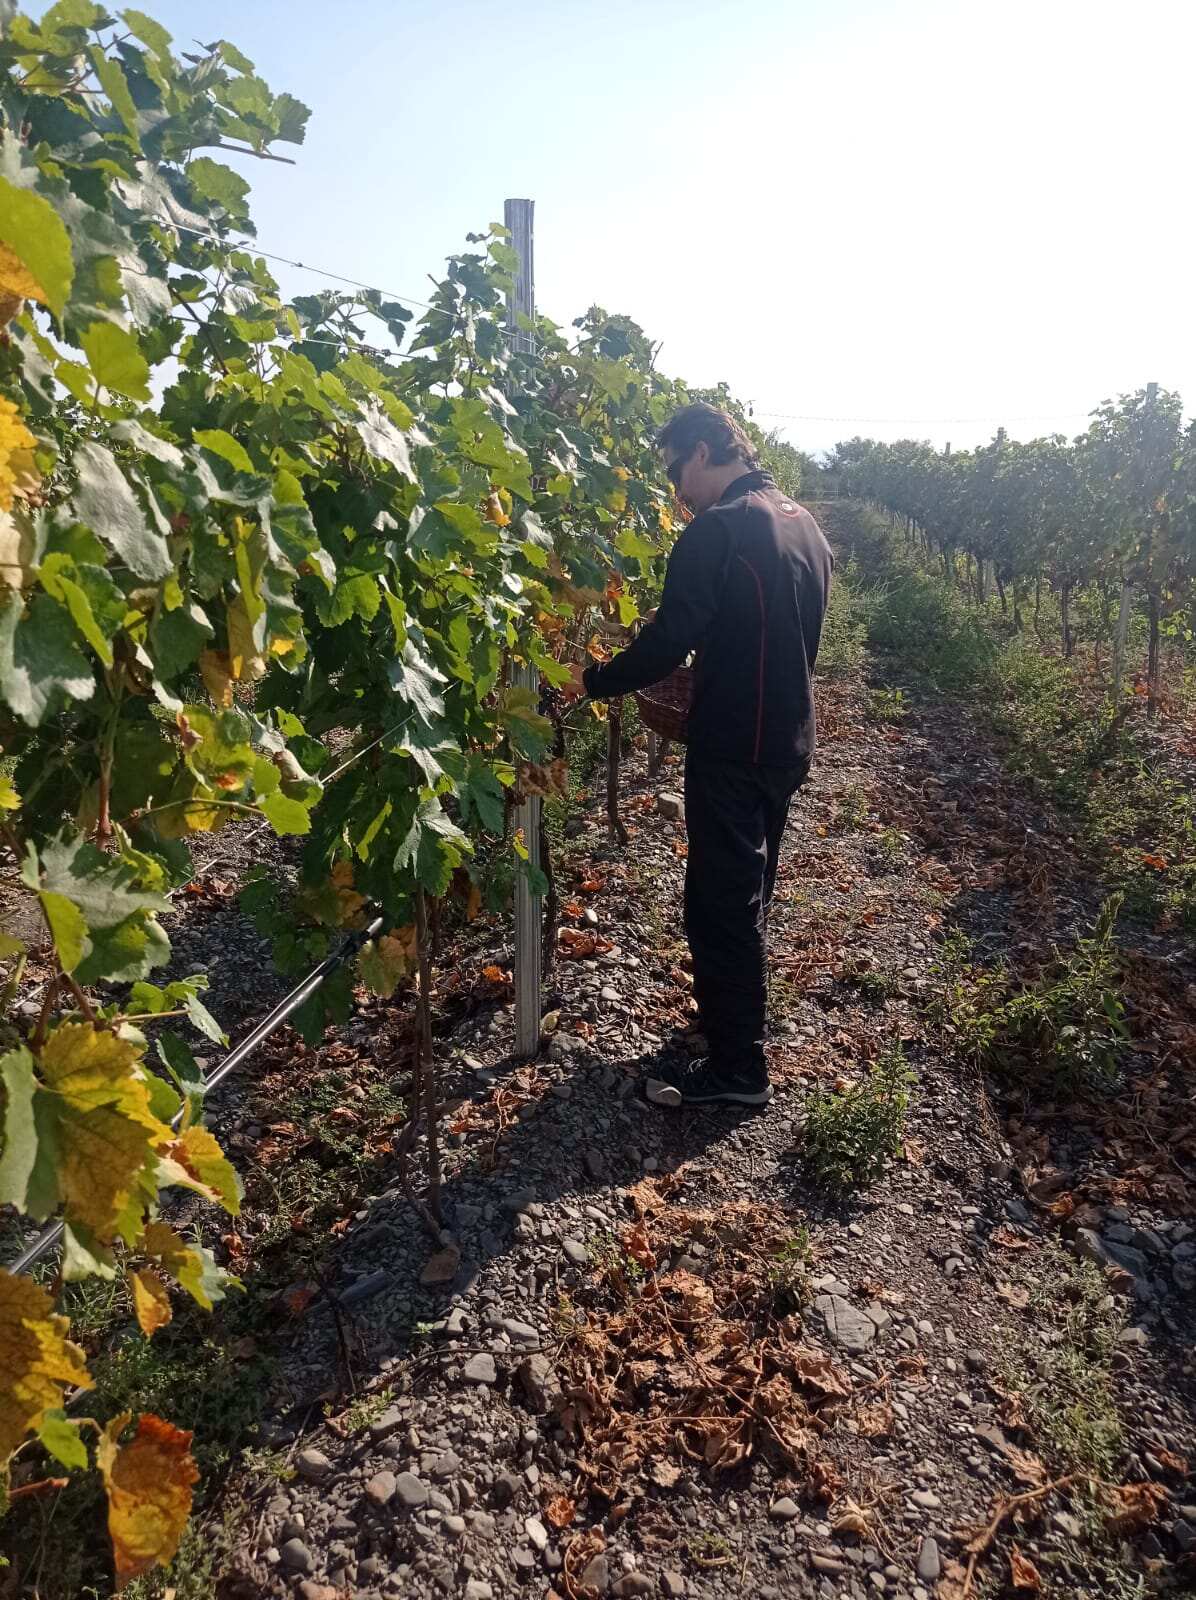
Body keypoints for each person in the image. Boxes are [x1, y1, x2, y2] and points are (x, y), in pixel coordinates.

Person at [566, 403, 834, 1108]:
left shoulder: (719, 531)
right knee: (748, 893)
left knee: (718, 904)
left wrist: (590, 682)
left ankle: (739, 1072)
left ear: (711, 449)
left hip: (733, 744)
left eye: (677, 468)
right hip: (787, 740)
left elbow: (666, 644)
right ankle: (728, 1025)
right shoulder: (803, 523)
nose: (675, 491)